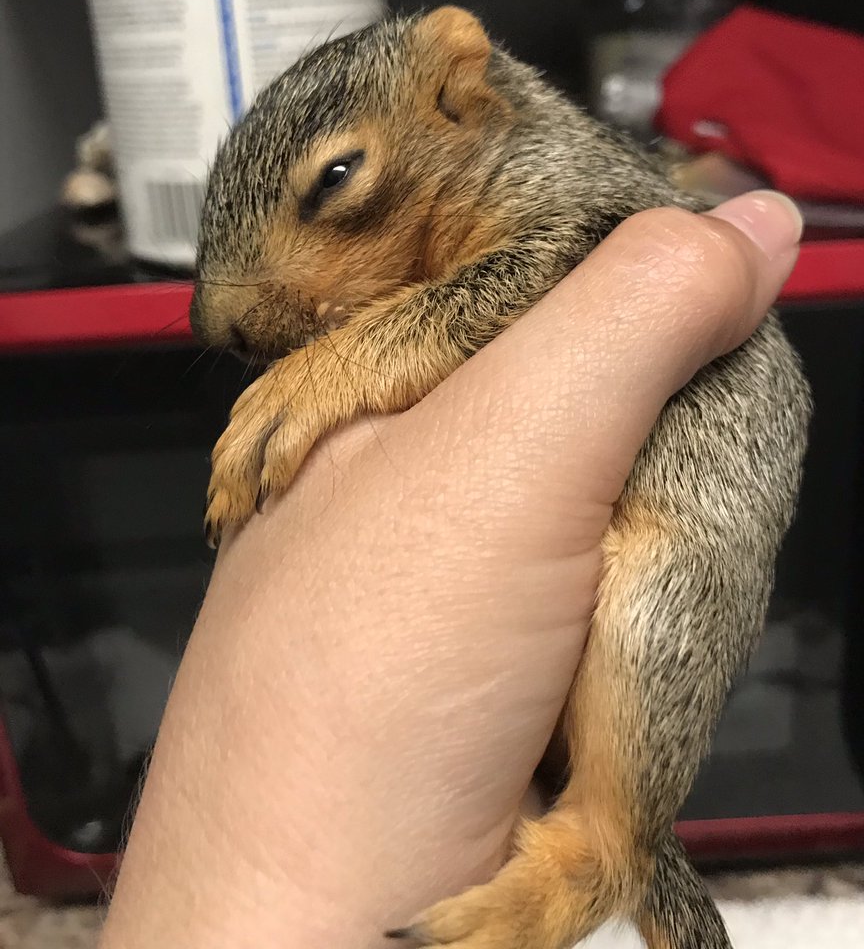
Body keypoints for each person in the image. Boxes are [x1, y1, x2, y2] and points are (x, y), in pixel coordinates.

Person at [99, 191, 803, 949]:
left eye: (339, 180)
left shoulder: (547, 190)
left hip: (671, 513)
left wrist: (343, 368)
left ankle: (599, 858)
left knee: (655, 596)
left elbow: (543, 265)